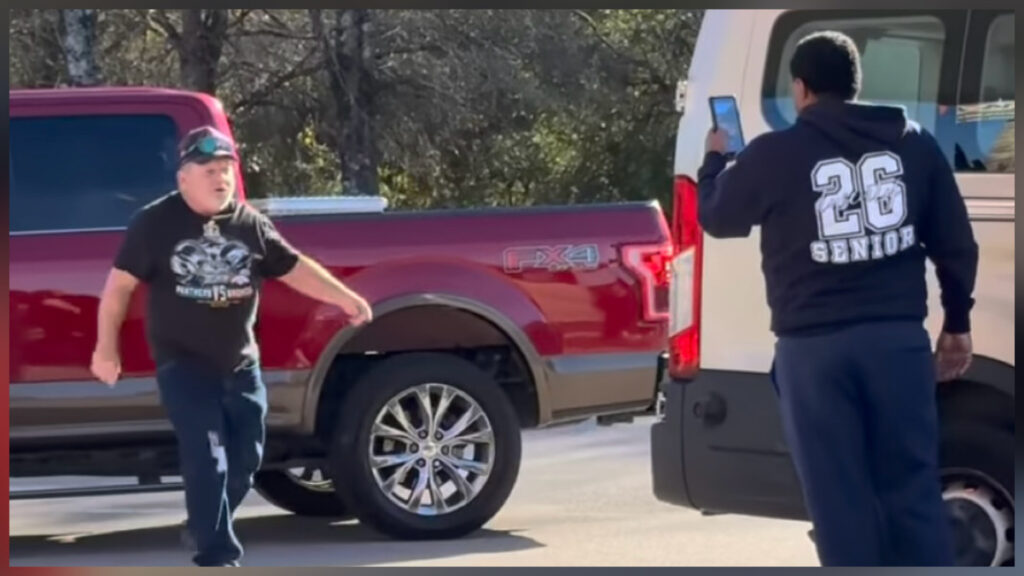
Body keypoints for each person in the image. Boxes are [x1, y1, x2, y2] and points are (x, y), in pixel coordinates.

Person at [695, 31, 977, 566]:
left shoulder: (773, 154)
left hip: (813, 353)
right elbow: (956, 243)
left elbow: (718, 217)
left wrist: (715, 161)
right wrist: (957, 321)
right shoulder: (913, 142)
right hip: (896, 344)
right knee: (913, 491)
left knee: (837, 500)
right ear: (854, 85)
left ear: (801, 88)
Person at [90, 126, 373, 567]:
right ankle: (217, 553)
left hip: (240, 365)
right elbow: (117, 290)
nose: (220, 178)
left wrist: (346, 299)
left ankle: (203, 525)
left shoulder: (249, 224)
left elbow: (294, 268)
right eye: (209, 170)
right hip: (184, 365)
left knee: (246, 456)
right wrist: (106, 350)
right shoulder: (155, 223)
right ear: (183, 177)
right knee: (208, 457)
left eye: (225, 170)